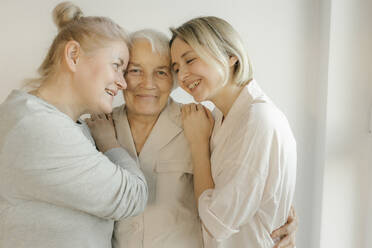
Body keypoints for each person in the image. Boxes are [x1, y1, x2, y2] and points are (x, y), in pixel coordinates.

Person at [88, 29, 297, 248]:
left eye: (161, 72)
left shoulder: (202, 124)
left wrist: (283, 216)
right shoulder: (96, 126)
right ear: (121, 76)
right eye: (135, 70)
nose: (147, 83)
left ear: (174, 80)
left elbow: (249, 180)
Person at [0, 2, 147, 248]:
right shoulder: (37, 127)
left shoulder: (61, 123)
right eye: (117, 65)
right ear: (73, 56)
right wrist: (110, 144)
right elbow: (133, 197)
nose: (123, 83)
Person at [170, 16, 297, 248]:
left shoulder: (259, 119)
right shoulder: (217, 118)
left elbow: (218, 222)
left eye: (190, 60)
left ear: (231, 56)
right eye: (176, 68)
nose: (182, 76)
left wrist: (199, 144)